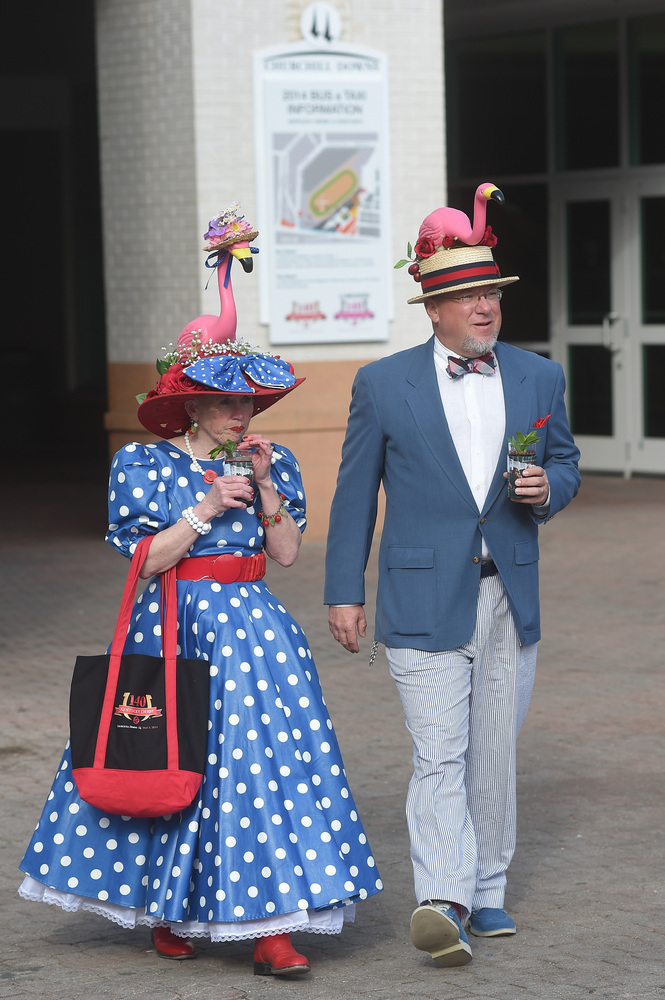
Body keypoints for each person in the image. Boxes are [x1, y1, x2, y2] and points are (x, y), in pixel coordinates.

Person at [18, 336, 383, 977]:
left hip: (254, 633)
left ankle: (271, 929)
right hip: (169, 627)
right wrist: (204, 507)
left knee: (260, 772)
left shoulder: (274, 460)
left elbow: (289, 554)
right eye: (221, 402)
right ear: (190, 406)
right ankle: (166, 909)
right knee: (167, 755)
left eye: (245, 401)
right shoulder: (145, 463)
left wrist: (266, 486)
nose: (238, 414)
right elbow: (144, 562)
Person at [324, 200, 580, 968]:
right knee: (439, 751)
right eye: (468, 296)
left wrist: (548, 488)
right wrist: (345, 589)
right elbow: (351, 491)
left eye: (492, 293)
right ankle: (443, 898)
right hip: (417, 592)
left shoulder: (538, 374)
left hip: (510, 588)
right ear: (433, 309)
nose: (484, 306)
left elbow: (563, 461)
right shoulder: (380, 383)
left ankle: (488, 886)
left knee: (492, 748)